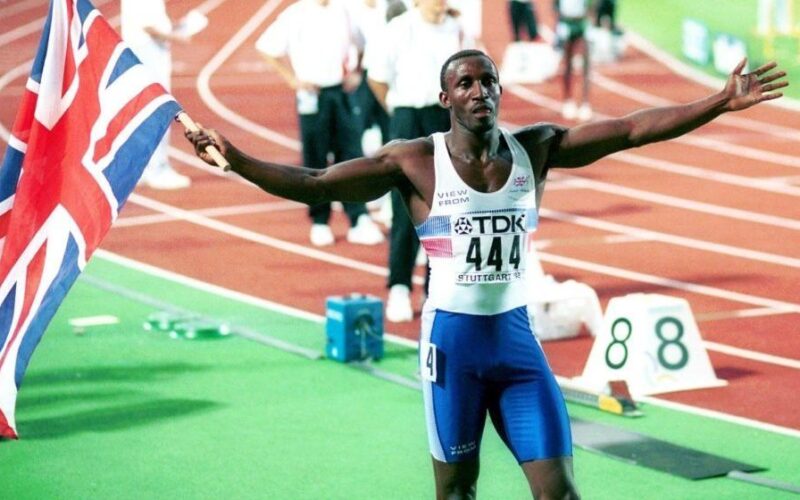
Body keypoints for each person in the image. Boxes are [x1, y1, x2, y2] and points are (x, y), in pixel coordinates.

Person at [185, 49, 787, 499]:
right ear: (445, 98)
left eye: (488, 81)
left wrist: (717, 101)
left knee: (560, 493)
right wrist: (236, 159)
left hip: (517, 346)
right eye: (465, 83)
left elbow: (630, 130)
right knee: (457, 493)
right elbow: (316, 182)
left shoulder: (536, 149)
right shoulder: (414, 162)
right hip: (453, 348)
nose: (480, 92)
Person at [367, 0, 473, 322]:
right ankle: (399, 287)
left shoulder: (457, 29)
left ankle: (436, 288)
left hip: (444, 119)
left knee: (445, 205)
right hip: (407, 116)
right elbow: (377, 77)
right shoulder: (398, 29)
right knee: (405, 207)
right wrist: (398, 113)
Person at [255, 0, 385, 247]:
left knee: (351, 156)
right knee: (315, 158)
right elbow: (266, 47)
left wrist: (356, 71)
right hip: (311, 94)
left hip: (342, 92)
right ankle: (320, 220)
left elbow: (365, 43)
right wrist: (292, 79)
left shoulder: (346, 9)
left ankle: (358, 218)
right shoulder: (295, 14)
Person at [121, 0, 193, 190]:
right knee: (158, 108)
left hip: (147, 51)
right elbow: (149, 27)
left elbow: (150, 21)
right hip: (148, 52)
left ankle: (144, 168)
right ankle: (157, 169)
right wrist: (178, 38)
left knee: (146, 110)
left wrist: (176, 27)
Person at [555, 0, 593, 121]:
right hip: (566, 23)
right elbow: (555, 5)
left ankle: (585, 103)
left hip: (583, 23)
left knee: (586, 65)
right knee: (567, 64)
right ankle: (568, 100)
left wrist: (589, 14)